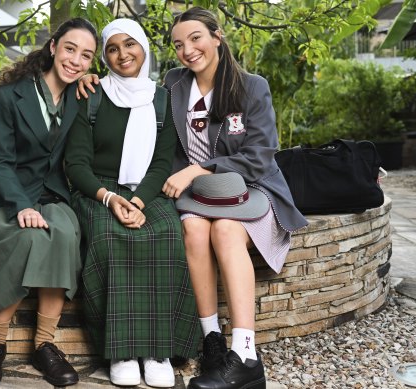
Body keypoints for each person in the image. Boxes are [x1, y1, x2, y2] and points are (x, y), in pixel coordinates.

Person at [161, 7, 309, 389]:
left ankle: (245, 355)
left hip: (253, 187)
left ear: (216, 36)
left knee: (226, 231)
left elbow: (261, 153)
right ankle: (212, 342)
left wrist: (199, 169)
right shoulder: (174, 84)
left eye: (195, 38)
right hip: (198, 196)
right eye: (179, 44)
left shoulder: (251, 86)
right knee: (194, 231)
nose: (188, 50)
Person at [0, 18, 98, 389]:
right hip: (5, 198)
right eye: (70, 49)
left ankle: (44, 345)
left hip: (51, 194)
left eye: (86, 56)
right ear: (53, 47)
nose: (76, 60)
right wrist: (21, 204)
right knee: (31, 236)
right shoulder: (9, 96)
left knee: (65, 232)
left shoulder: (79, 98)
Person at [64, 18, 200, 388]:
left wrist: (137, 200)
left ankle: (158, 351)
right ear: (104, 57)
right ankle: (121, 352)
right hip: (99, 189)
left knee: (168, 235)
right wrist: (111, 199)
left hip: (147, 190)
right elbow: (76, 163)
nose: (123, 54)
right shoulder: (89, 95)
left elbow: (161, 162)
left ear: (144, 47)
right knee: (110, 241)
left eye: (130, 45)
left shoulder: (163, 98)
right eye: (112, 48)